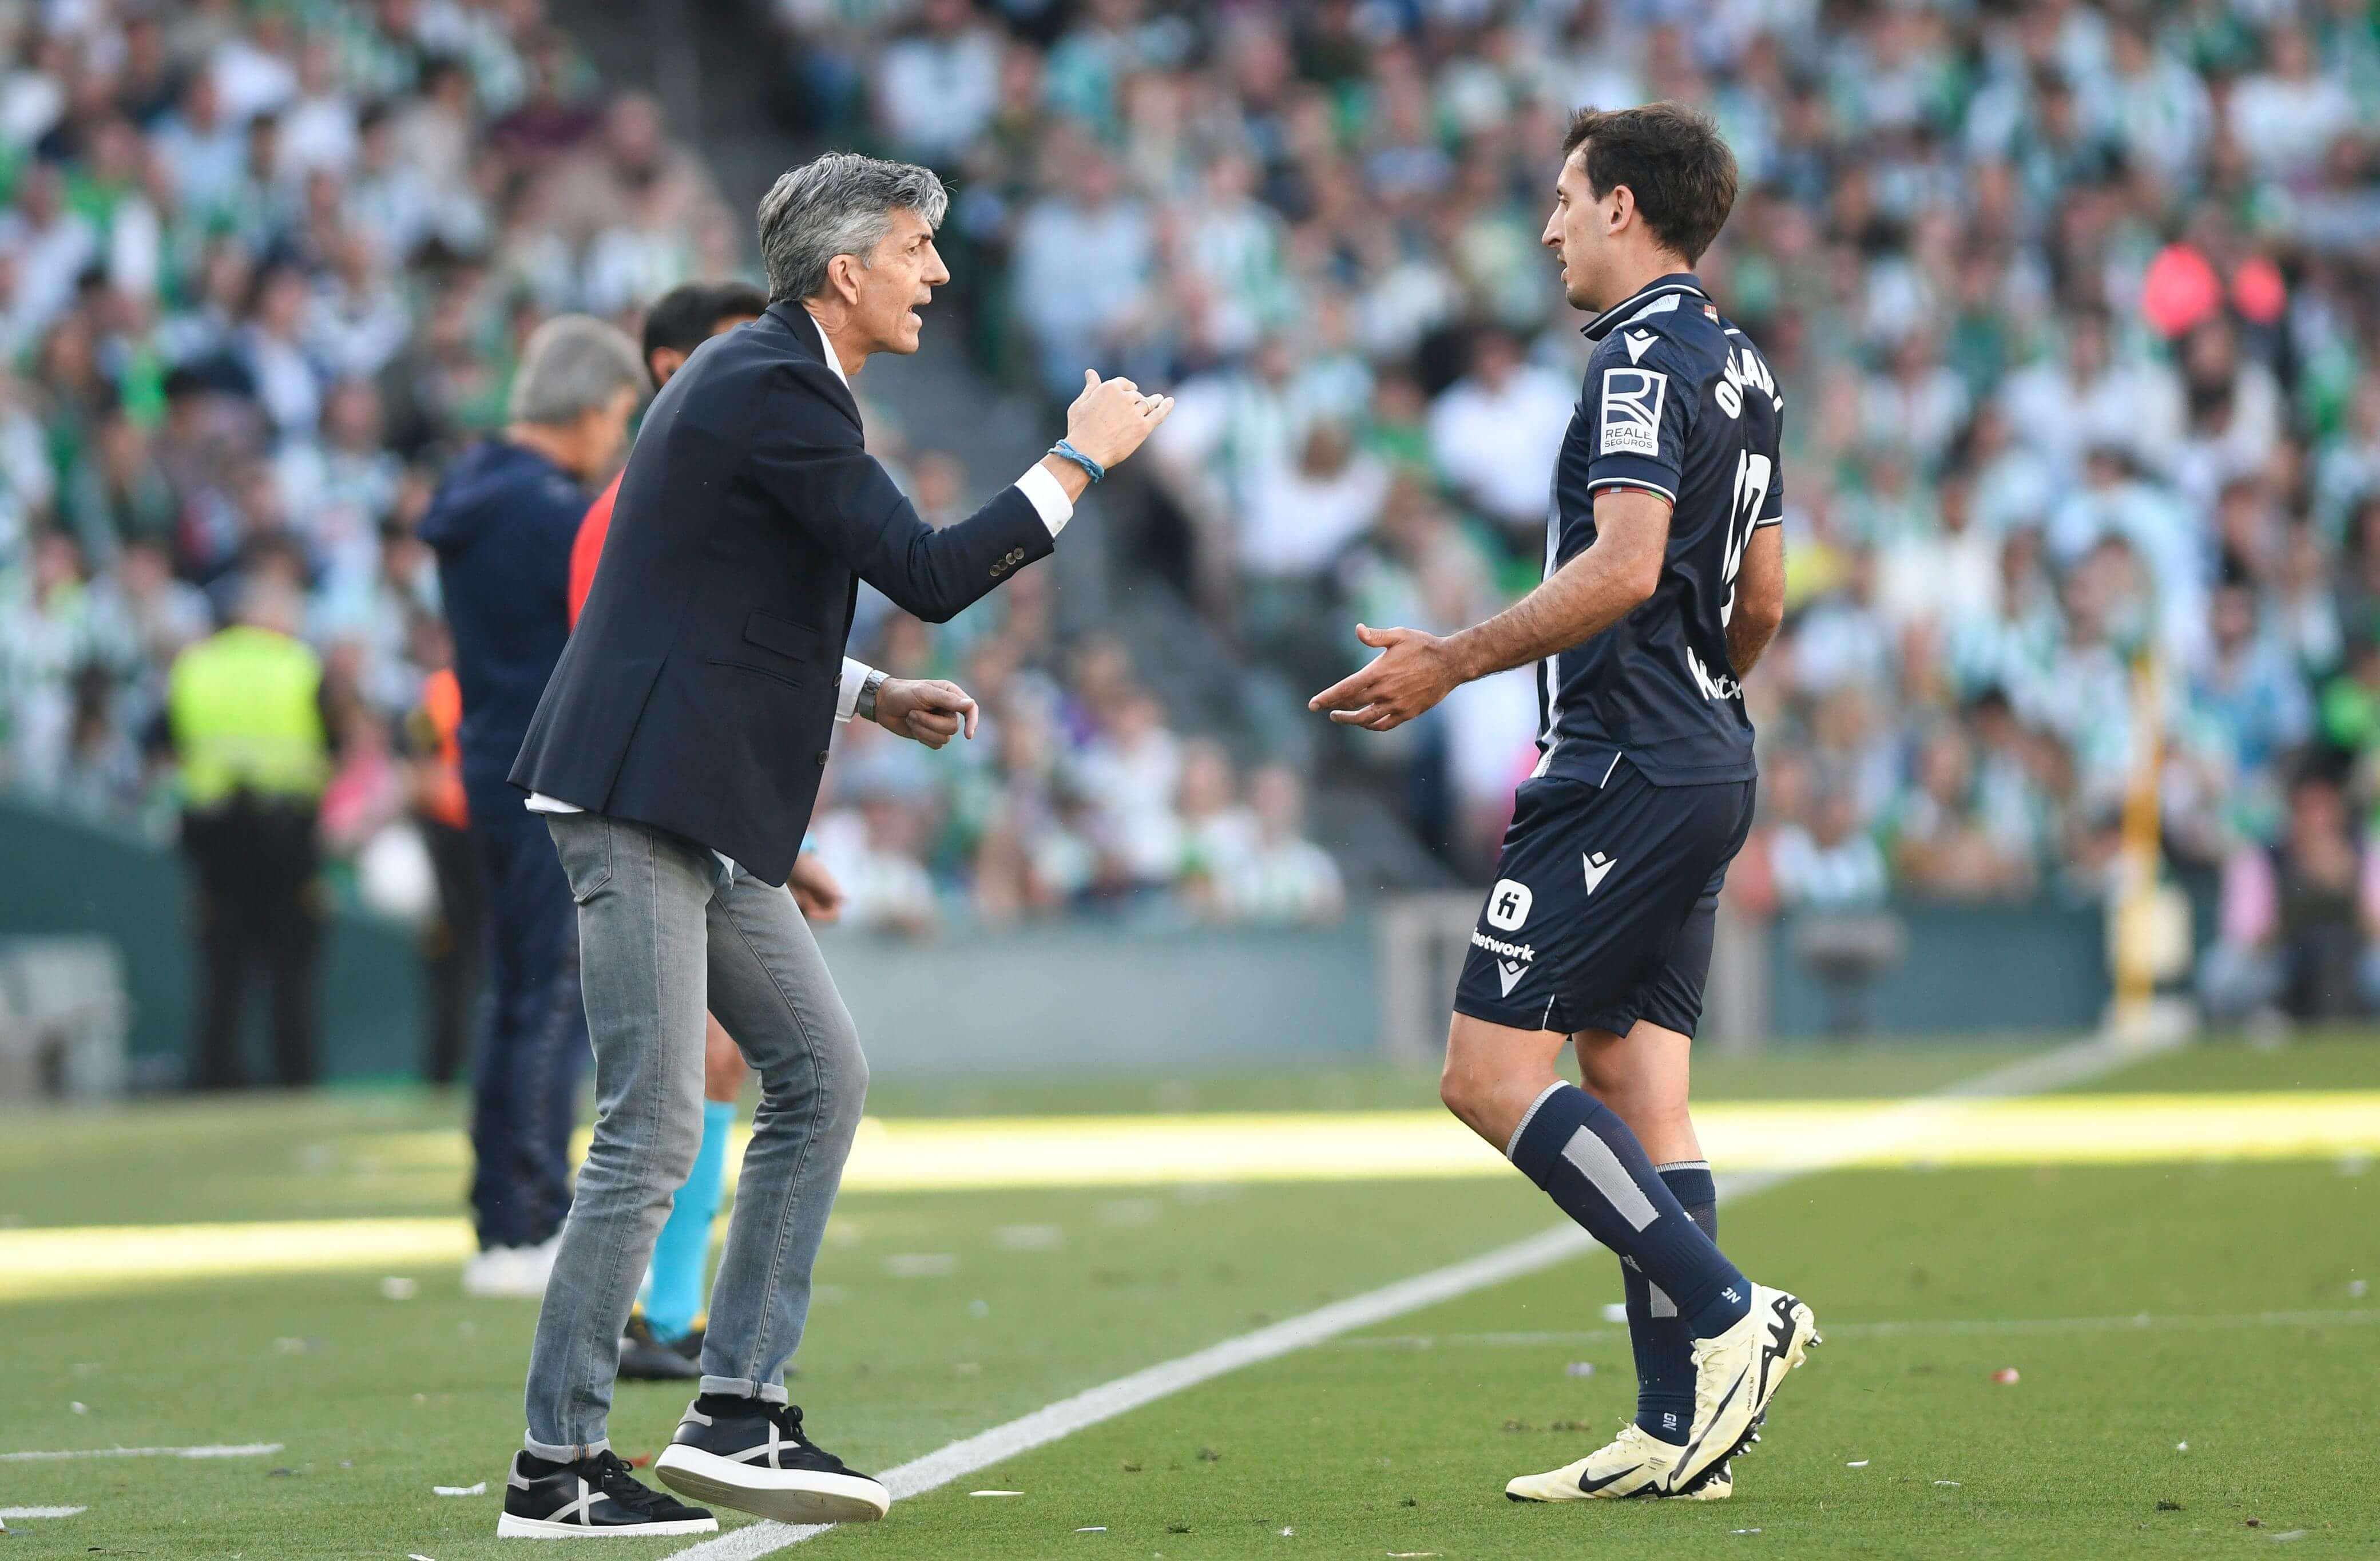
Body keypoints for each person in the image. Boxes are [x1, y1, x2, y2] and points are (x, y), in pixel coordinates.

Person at [492, 152, 1172, 1538]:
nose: (937, 273)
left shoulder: (769, 376)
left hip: (686, 791)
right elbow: (927, 569)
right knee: (654, 1124)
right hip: (642, 788)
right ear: (846, 269)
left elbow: (717, 598)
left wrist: (865, 694)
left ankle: (738, 1405)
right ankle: (553, 1467)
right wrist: (1078, 458)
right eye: (917, 249)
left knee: (818, 1071)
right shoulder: (775, 380)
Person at [1308, 104, 1815, 1504]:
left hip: (1622, 760)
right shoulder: (1743, 361)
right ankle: (1674, 1427)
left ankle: (1730, 1313)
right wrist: (1700, 693)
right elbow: (1763, 596)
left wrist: (1451, 659)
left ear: (1622, 209)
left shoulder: (1639, 354)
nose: (1547, 229)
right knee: (1639, 1088)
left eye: (1563, 199)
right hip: (1703, 749)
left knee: (1484, 1074)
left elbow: (1627, 562)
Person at [566, 279, 851, 1384]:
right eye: (739, 354)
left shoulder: (703, 494)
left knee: (736, 1066)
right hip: (636, 807)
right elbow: (650, 668)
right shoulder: (643, 504)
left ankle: (677, 1321)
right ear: (671, 370)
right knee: (661, 1102)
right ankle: (610, 1374)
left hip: (697, 811)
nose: (766, 377)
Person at [418, 315, 648, 1301]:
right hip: (547, 771)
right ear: (589, 407)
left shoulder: (478, 492)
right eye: (619, 415)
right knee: (547, 999)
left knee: (517, 996)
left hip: (492, 764)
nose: (617, 437)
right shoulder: (548, 512)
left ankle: (508, 1215)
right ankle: (528, 1220)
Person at [167, 575, 328, 1089]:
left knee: (222, 969)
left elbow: (169, 741)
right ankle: (294, 1075)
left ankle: (215, 1074)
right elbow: (330, 742)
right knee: (291, 969)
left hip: (215, 833)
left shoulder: (197, 665)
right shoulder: (299, 665)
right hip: (285, 834)